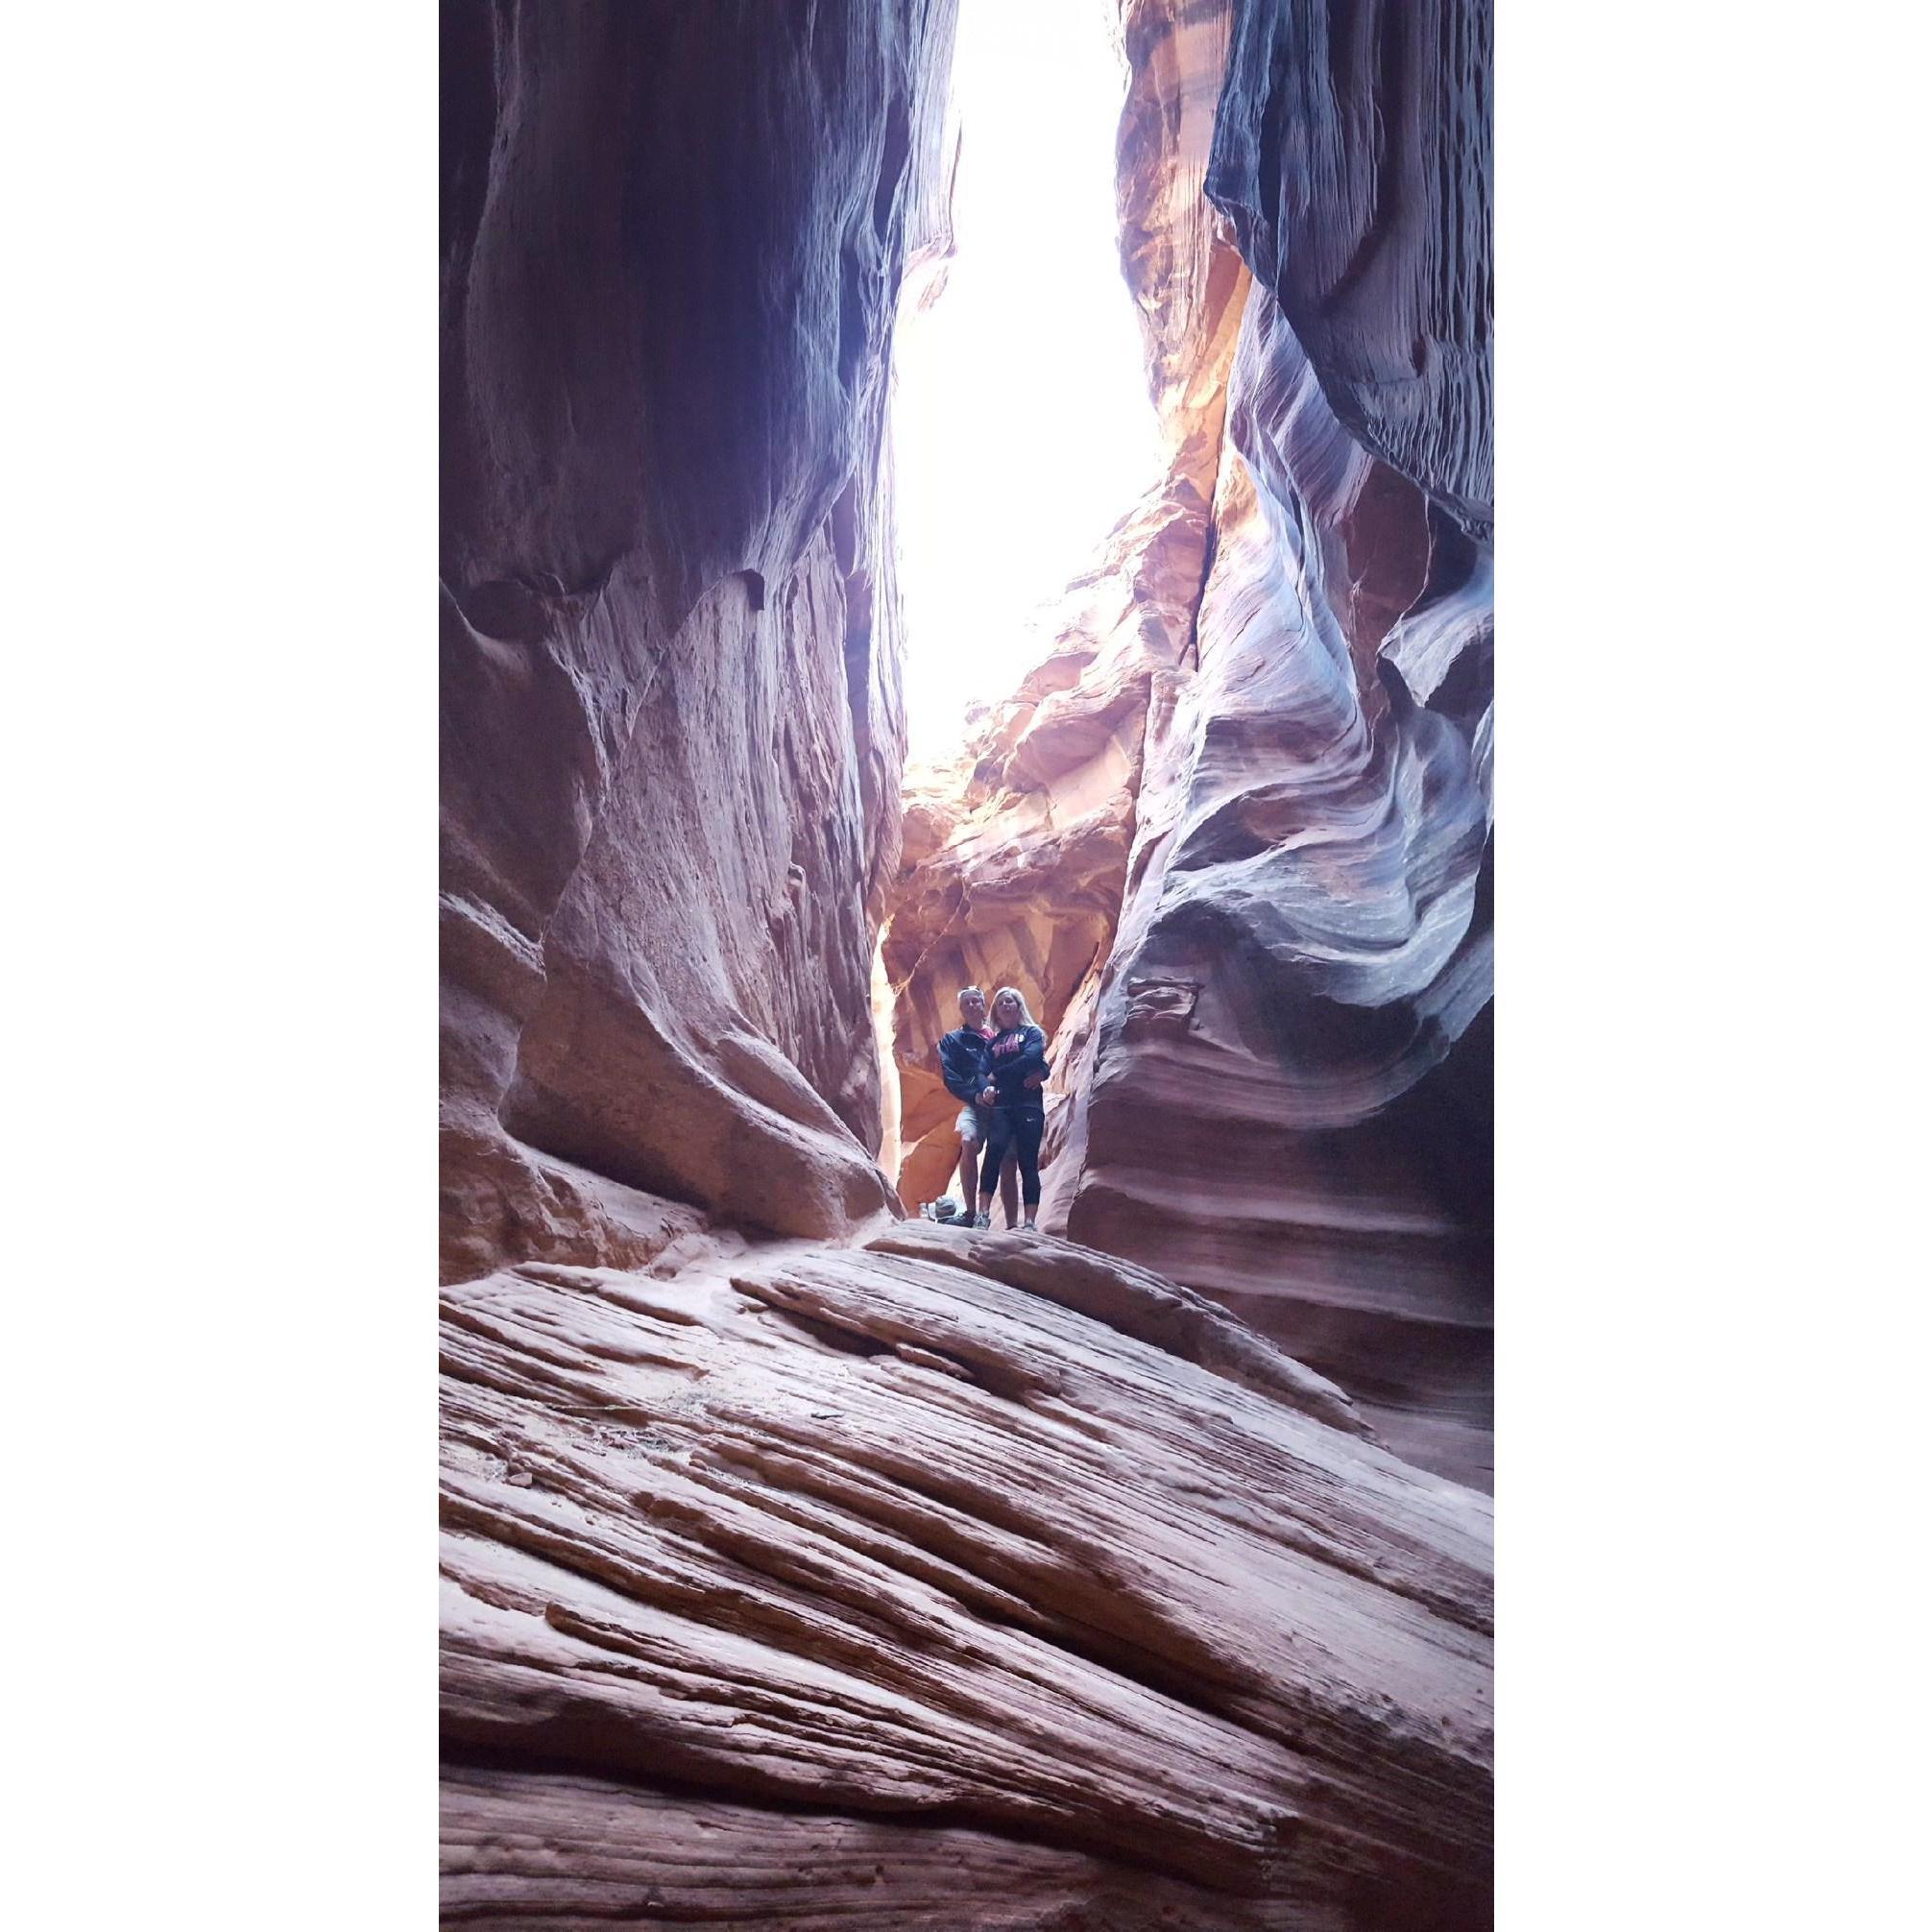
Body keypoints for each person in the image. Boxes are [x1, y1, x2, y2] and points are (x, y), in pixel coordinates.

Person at [937, 985, 1019, 1227]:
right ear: (961, 1010)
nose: (972, 1006)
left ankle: (1012, 1225)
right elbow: (951, 1078)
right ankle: (972, 1213)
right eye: (967, 1003)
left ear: (984, 1006)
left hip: (1004, 1108)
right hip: (975, 1105)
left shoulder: (1001, 1037)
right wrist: (975, 1096)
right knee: (968, 1140)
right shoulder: (953, 1041)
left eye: (976, 1002)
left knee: (1007, 1161)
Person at [975, 985, 1051, 1233]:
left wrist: (998, 1074)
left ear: (1019, 1007)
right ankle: (982, 1216)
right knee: (993, 1155)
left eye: (1011, 1001)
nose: (1006, 1005)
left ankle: (1029, 1223)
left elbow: (1032, 1058)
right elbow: (981, 1072)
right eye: (1001, 1003)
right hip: (1003, 1105)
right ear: (996, 1012)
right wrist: (986, 1085)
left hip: (1028, 1103)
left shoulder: (1031, 1033)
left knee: (1028, 1161)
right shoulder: (992, 1043)